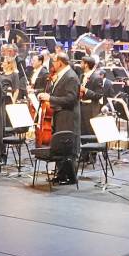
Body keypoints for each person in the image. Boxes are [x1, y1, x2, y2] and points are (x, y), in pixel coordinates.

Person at [40, 52, 82, 185]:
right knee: (60, 146)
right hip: (60, 115)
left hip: (68, 117)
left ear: (60, 62)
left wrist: (50, 98)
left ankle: (70, 177)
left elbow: (70, 99)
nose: (52, 64)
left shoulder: (71, 77)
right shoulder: (62, 75)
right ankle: (61, 174)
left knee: (67, 147)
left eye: (54, 61)